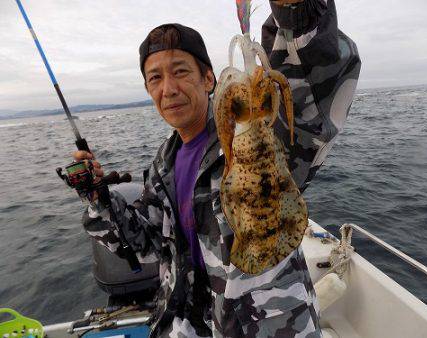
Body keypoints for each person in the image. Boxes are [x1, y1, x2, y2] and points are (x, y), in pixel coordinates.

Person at [74, 0, 361, 336]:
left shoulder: (259, 133)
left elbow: (310, 86)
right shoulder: (163, 163)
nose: (169, 88)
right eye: (155, 78)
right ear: (148, 89)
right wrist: (98, 197)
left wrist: (296, 12)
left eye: (180, 71)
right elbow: (147, 243)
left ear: (209, 78)